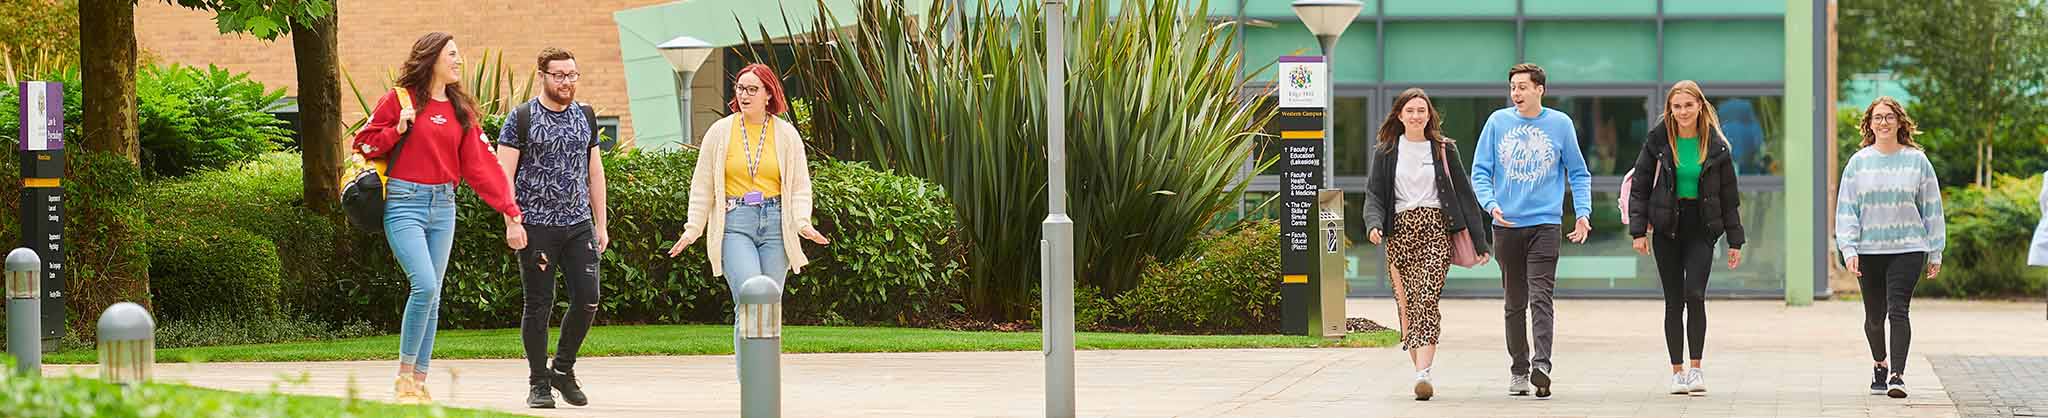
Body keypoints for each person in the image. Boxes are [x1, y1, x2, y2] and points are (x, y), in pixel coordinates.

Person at [351, 31, 523, 404]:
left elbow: (482, 168)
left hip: (443, 206)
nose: (459, 61)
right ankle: (403, 378)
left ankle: (419, 380)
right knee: (425, 286)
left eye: (459, 55)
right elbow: (363, 142)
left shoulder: (461, 111)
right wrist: (397, 130)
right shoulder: (400, 100)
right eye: (452, 55)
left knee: (434, 294)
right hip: (403, 203)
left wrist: (511, 211)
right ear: (431, 59)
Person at [666, 63, 831, 349]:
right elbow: (702, 186)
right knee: (750, 300)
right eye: (740, 88)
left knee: (767, 307)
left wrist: (802, 223)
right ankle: (750, 386)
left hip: (776, 224)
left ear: (769, 93)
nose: (744, 95)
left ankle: (764, 385)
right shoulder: (720, 132)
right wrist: (692, 229)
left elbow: (800, 186)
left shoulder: (786, 134)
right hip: (736, 223)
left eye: (752, 89)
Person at [1469, 63, 1593, 399]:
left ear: (1540, 89)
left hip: (1545, 225)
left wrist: (1582, 213)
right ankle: (1518, 369)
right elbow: (1480, 171)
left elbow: (1579, 173)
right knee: (1514, 302)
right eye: (1512, 87)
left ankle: (1542, 365)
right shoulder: (1497, 122)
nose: (1516, 93)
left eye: (1523, 87)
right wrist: (1490, 204)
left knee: (1541, 297)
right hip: (1506, 226)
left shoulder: (1560, 124)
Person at [1360, 88, 1492, 401]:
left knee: (1427, 297)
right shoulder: (1387, 151)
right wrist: (1374, 225)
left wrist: (1480, 241)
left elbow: (1464, 195)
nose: (1417, 115)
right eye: (1410, 111)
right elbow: (1375, 195)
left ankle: (1423, 373)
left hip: (1436, 230)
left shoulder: (1444, 149)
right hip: (1400, 233)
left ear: (1429, 115)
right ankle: (1420, 370)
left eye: (1422, 110)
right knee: (1407, 303)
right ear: (1400, 116)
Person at [496, 47, 607, 409]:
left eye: (572, 75)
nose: (566, 82)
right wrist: (513, 221)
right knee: (539, 305)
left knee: (588, 299)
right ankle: (538, 383)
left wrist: (600, 224)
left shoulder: (586, 116)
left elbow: (594, 173)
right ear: (542, 75)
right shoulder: (522, 118)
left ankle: (562, 368)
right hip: (536, 227)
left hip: (578, 225)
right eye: (558, 75)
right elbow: (503, 176)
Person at [1627, 80, 1747, 396]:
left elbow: (1729, 197)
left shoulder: (1717, 145)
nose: (1682, 112)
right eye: (1676, 107)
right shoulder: (1658, 140)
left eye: (1688, 106)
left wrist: (1735, 240)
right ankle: (1677, 372)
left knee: (1694, 294)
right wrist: (1638, 231)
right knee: (1673, 300)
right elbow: (1639, 187)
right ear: (1670, 109)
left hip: (1701, 228)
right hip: (1666, 227)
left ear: (1700, 107)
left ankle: (1696, 369)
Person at [1834, 96, 1944, 399]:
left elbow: (1932, 208)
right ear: (1870, 124)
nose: (1883, 122)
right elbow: (1847, 209)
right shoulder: (1858, 163)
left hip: (1908, 247)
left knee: (1898, 310)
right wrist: (1849, 248)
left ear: (1899, 122)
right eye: (1878, 117)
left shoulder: (1917, 161)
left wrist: (1935, 250)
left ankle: (1897, 375)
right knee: (1874, 316)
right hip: (1868, 250)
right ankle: (1880, 364)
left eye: (1889, 116)